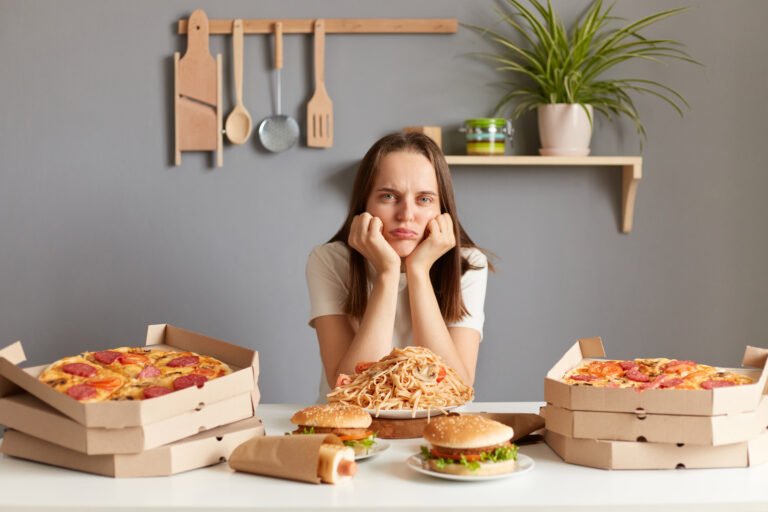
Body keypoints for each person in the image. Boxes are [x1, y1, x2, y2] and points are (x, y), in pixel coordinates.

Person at [306, 132, 490, 400]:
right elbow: (347, 389)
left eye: (424, 199)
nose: (406, 215)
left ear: (442, 210)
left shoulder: (469, 264)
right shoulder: (328, 260)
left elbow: (456, 387)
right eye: (389, 196)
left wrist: (418, 272)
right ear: (364, 204)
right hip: (353, 428)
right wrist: (388, 273)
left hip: (434, 424)